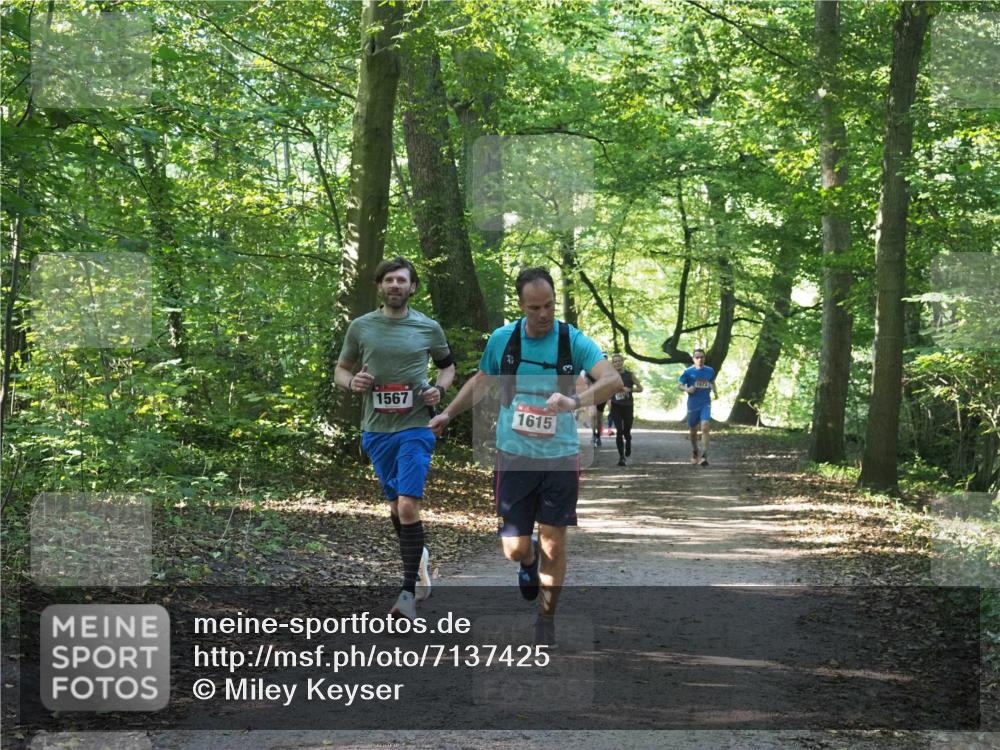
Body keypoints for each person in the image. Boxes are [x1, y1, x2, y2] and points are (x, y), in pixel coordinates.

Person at [429, 268, 621, 644]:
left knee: (554, 541)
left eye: (549, 304)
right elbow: (481, 382)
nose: (544, 314)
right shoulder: (504, 340)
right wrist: (448, 415)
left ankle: (546, 621)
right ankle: (527, 560)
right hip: (514, 456)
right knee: (514, 547)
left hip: (560, 457)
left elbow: (612, 380)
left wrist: (574, 401)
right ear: (521, 306)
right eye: (535, 307)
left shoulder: (572, 341)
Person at [334, 257, 455, 621]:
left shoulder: (428, 327)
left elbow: (447, 366)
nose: (395, 285)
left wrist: (438, 389)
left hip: (416, 427)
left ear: (412, 287)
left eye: (402, 280)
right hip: (376, 430)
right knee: (395, 507)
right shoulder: (361, 327)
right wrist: (352, 382)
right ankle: (418, 561)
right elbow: (341, 370)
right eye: (388, 280)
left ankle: (406, 594)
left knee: (406, 506)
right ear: (380, 286)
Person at [678, 348, 717, 466]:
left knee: (705, 426)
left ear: (705, 358)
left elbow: (712, 382)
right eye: (697, 357)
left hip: (705, 403)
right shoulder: (688, 371)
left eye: (702, 357)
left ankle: (704, 456)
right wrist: (687, 389)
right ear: (693, 359)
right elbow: (679, 385)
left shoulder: (710, 370)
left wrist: (716, 392)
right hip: (693, 404)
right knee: (693, 431)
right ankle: (695, 451)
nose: (700, 359)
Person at [609, 353, 643, 467]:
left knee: (626, 431)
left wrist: (629, 389)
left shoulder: (630, 375)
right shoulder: (609, 376)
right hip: (615, 406)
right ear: (612, 364)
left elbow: (640, 388)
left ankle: (628, 440)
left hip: (628, 406)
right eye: (615, 361)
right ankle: (621, 457)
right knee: (619, 430)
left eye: (619, 361)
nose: (617, 363)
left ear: (623, 362)